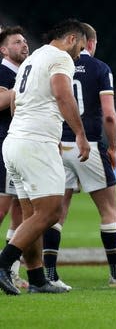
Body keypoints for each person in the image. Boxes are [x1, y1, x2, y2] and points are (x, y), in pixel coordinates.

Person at [41, 23, 116, 290]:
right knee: (109, 211)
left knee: (57, 213)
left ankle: (50, 275)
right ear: (90, 43)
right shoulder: (100, 69)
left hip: (58, 146)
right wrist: (112, 147)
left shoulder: (55, 68)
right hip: (87, 144)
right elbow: (110, 115)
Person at [0, 19, 90, 295]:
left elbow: (15, 100)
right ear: (72, 39)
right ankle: (3, 264)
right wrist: (80, 134)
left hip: (15, 141)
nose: (80, 54)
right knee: (51, 211)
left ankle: (37, 278)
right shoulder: (61, 57)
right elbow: (64, 95)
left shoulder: (34, 57)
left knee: (31, 214)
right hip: (36, 144)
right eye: (81, 47)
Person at [0, 26, 29, 289]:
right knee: (3, 209)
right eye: (17, 42)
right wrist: (23, 88)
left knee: (19, 211)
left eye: (24, 40)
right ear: (4, 49)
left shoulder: (21, 72)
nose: (24, 44)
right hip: (3, 145)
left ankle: (11, 269)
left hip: (16, 145)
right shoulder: (5, 72)